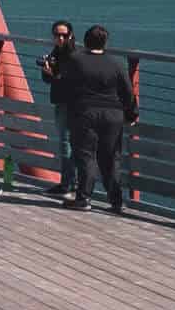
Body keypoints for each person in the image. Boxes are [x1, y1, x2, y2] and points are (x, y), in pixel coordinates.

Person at [53, 24, 139, 213]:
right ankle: (116, 201)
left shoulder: (76, 60)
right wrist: (132, 114)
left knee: (86, 156)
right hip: (113, 115)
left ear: (85, 41)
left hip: (84, 113)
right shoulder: (117, 63)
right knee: (110, 158)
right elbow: (127, 92)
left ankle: (84, 198)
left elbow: (64, 86)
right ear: (105, 43)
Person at [37, 18, 76, 184]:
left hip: (71, 103)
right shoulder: (56, 52)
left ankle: (69, 183)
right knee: (65, 143)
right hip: (61, 100)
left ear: (70, 35)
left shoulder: (74, 55)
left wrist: (52, 74)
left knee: (67, 144)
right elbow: (50, 80)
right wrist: (47, 72)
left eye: (64, 35)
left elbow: (68, 81)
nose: (60, 38)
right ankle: (67, 182)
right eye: (57, 35)